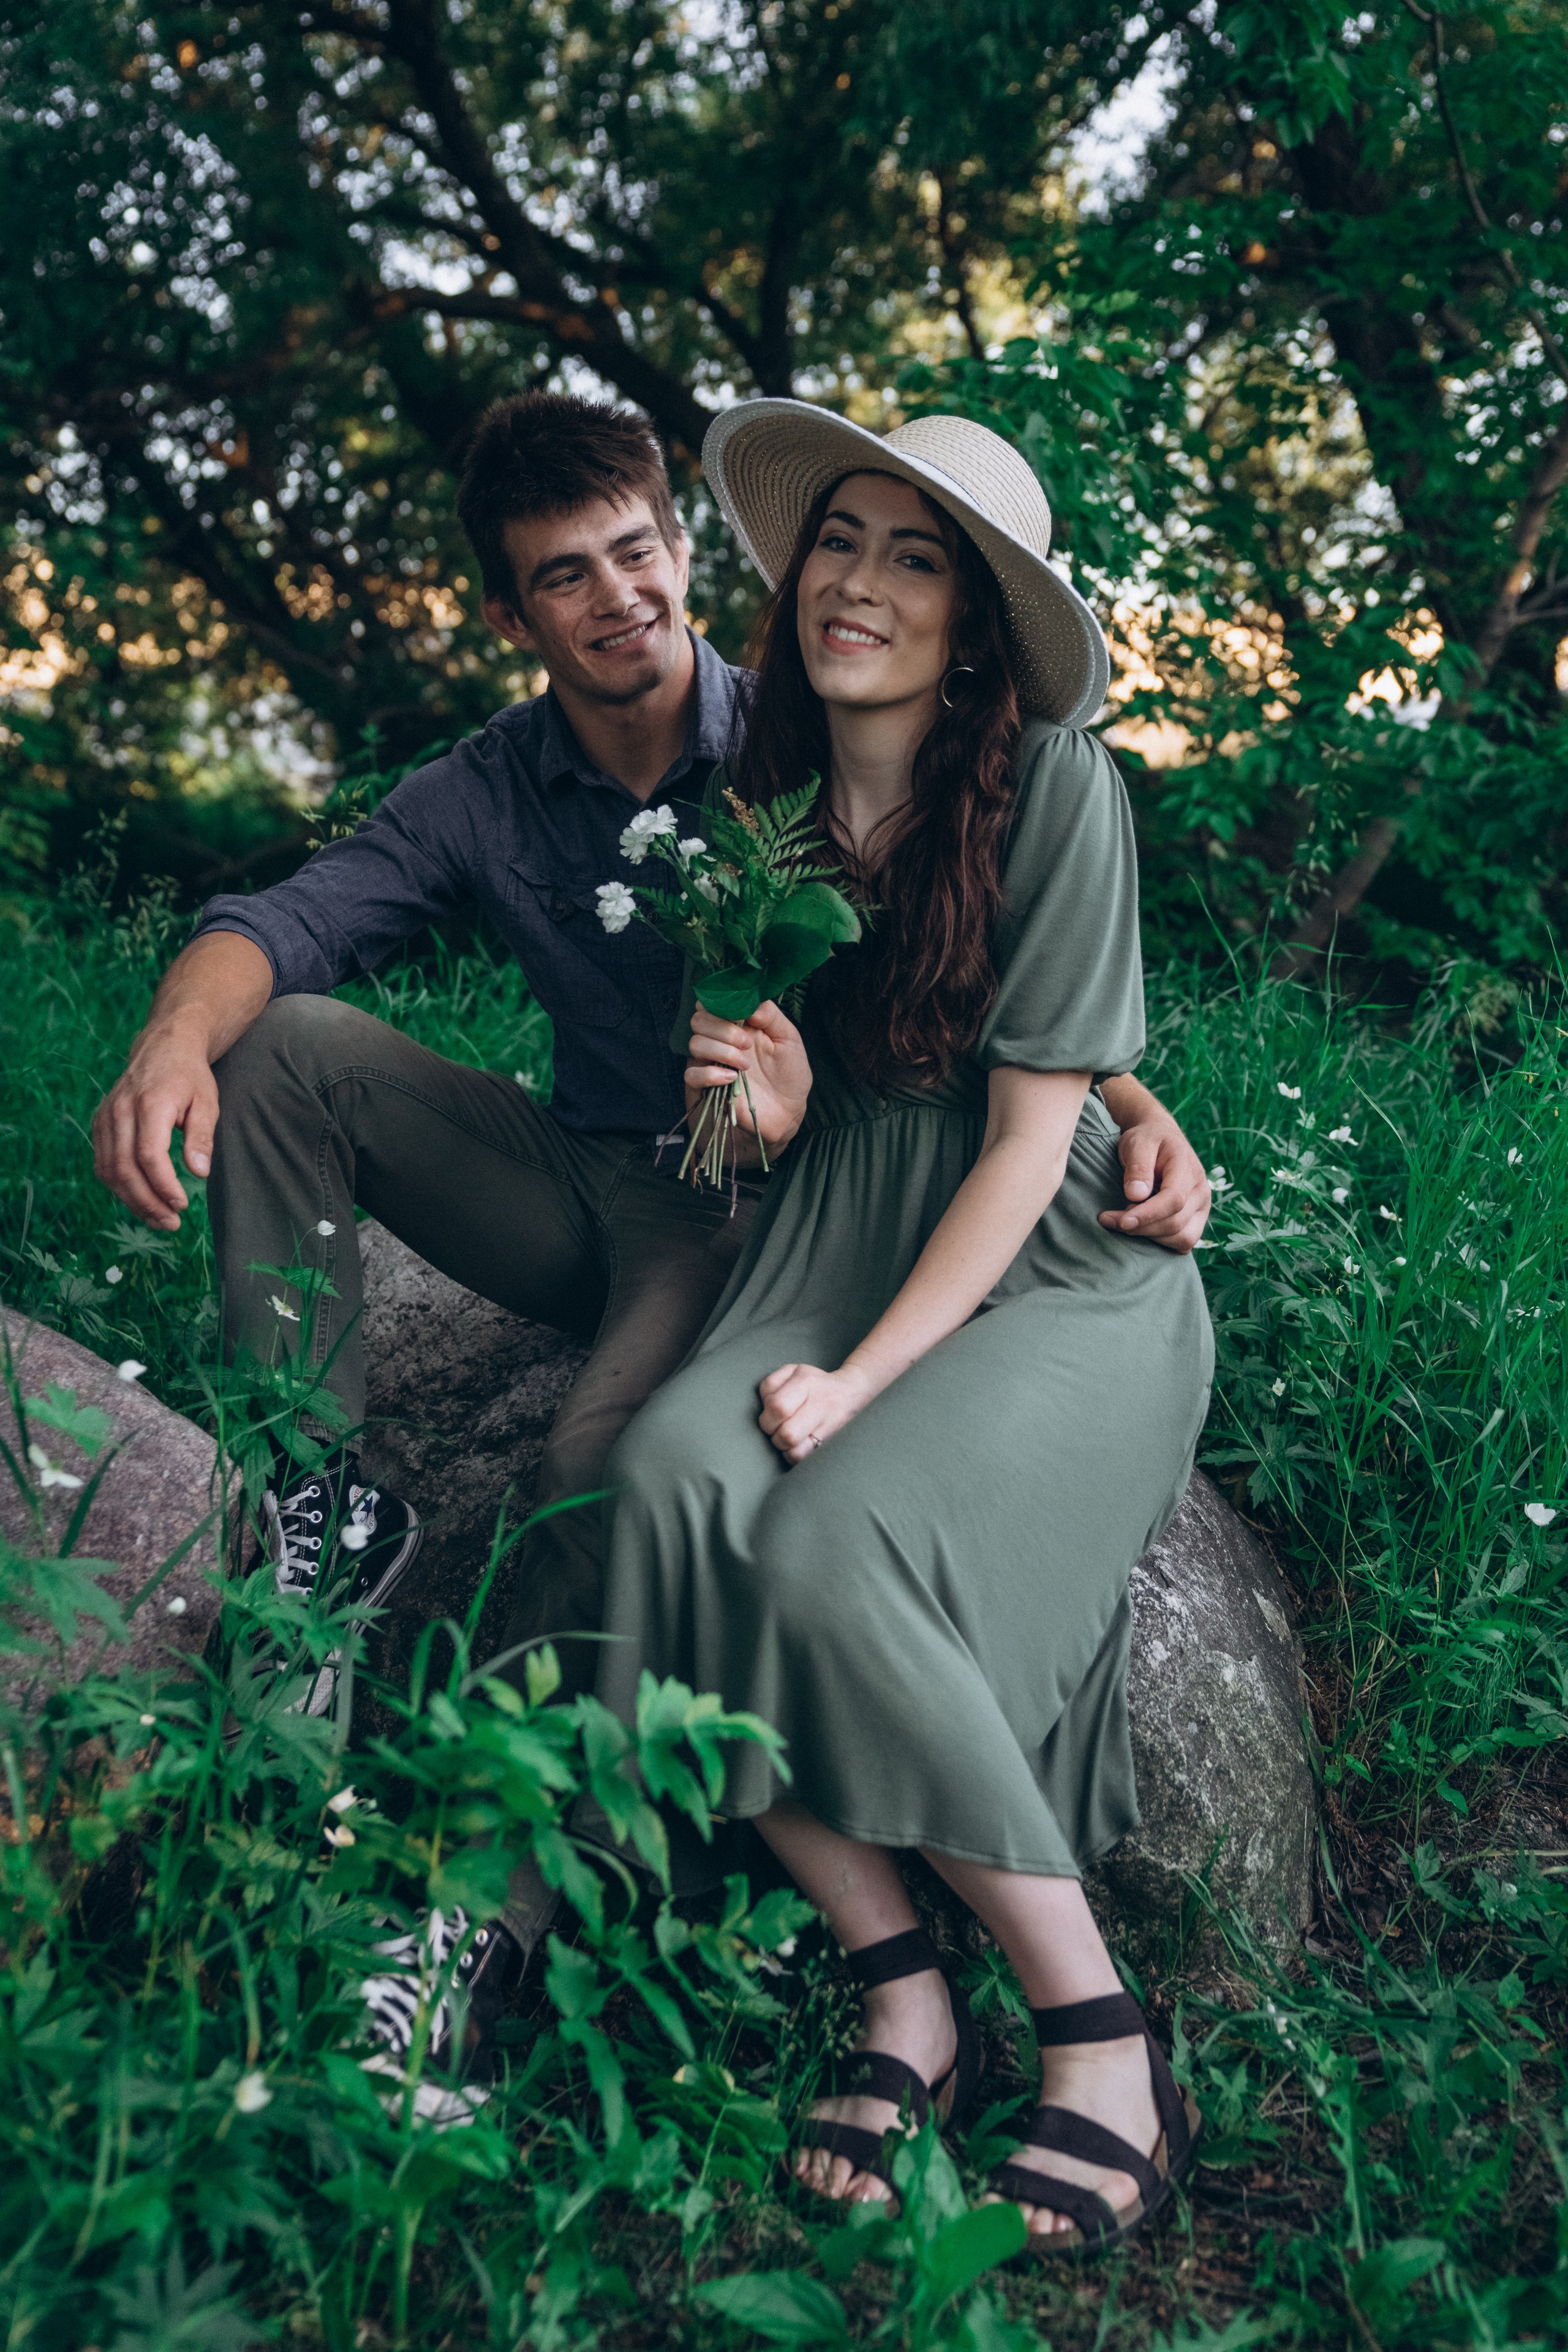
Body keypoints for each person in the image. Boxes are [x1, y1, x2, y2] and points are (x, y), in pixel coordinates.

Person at [89, 391, 1210, 2045]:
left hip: (759, 1208)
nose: (615, 599)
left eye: (635, 552)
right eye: (564, 577)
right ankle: (319, 1497)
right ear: (513, 613)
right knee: (290, 1049)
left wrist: (1119, 1098)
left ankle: (494, 1908)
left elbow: (971, 960)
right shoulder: (506, 788)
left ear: (684, 550)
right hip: (606, 1167)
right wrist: (173, 1038)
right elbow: (293, 913)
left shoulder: (814, 712)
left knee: (598, 1468)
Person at [589, 401, 1214, 2254]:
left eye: (914, 556)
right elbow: (743, 1111)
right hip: (831, 1221)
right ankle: (901, 1982)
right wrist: (757, 1111)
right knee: (663, 1488)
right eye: (841, 540)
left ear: (977, 624)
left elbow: (1042, 1134)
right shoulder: (743, 811)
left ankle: (1098, 2032)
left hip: (1048, 1262)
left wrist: (864, 1382)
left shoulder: (1058, 790)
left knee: (842, 1524)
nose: (858, 581)